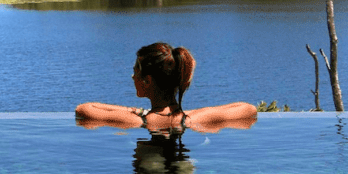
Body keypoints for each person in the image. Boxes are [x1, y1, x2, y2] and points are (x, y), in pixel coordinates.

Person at [75, 42, 257, 133]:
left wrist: (137, 111)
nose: (132, 77)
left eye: (135, 73)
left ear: (147, 81)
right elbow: (249, 109)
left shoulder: (136, 121)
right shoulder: (191, 120)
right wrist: (197, 112)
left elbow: (84, 109)